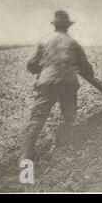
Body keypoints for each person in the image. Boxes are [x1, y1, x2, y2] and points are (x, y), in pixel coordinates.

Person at [19, 10, 94, 163]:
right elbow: (86, 68)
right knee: (69, 116)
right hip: (67, 84)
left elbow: (31, 65)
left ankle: (25, 156)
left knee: (37, 118)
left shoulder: (44, 41)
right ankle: (60, 145)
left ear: (55, 25)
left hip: (46, 84)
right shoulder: (73, 44)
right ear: (67, 26)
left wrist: (45, 69)